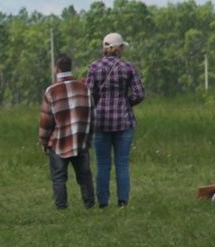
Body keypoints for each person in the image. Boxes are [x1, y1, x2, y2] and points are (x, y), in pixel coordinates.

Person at [85, 32, 145, 207]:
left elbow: (88, 95)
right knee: (122, 163)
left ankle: (103, 202)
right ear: (118, 48)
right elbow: (139, 94)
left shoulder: (94, 68)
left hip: (101, 122)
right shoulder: (128, 68)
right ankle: (123, 201)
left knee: (103, 164)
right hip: (124, 122)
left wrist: (97, 104)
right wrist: (127, 103)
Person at [38, 54, 95, 210]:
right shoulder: (84, 88)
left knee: (59, 178)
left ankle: (62, 208)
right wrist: (89, 138)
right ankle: (89, 205)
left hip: (58, 141)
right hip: (80, 139)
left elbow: (46, 121)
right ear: (71, 67)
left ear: (56, 68)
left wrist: (43, 141)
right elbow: (92, 115)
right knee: (85, 176)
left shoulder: (51, 91)